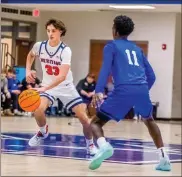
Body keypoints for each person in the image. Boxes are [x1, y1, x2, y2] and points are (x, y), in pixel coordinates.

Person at [88, 15, 171, 171]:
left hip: (123, 89)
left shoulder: (111, 46)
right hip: (141, 88)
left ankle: (103, 146)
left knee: (95, 122)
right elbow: (152, 76)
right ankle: (164, 159)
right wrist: (141, 92)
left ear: (115, 30)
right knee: (149, 120)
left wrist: (98, 90)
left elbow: (105, 69)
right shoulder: (138, 49)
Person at [26, 18, 97, 155]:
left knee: (84, 118)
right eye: (48, 31)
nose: (50, 33)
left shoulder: (65, 50)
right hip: (48, 86)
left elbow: (62, 76)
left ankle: (90, 144)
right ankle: (42, 131)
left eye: (53, 31)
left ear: (61, 32)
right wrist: (28, 70)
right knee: (37, 109)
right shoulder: (39, 46)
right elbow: (30, 55)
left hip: (66, 87)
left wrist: (44, 88)